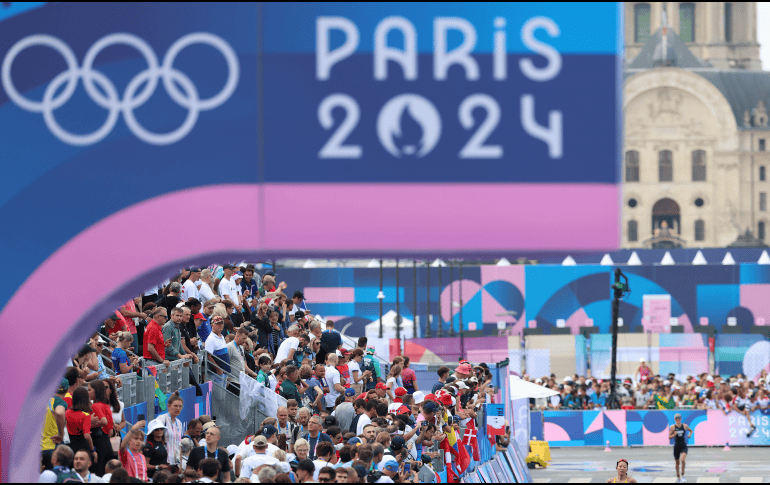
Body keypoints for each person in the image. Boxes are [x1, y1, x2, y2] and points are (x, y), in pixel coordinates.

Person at [41, 378, 69, 471]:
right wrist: (61, 434)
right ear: (67, 390)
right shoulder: (58, 401)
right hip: (50, 446)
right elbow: (59, 412)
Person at [89, 380, 115, 475]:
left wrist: (89, 425)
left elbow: (104, 421)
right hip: (107, 444)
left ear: (96, 391)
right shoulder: (106, 406)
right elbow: (111, 431)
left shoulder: (95, 405)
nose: (87, 392)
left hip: (99, 445)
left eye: (89, 390)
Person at [65, 387, 97, 459]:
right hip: (82, 445)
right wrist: (93, 450)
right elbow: (87, 436)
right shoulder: (85, 415)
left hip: (70, 444)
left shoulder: (67, 412)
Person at [156, 392, 185, 470]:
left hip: (175, 463)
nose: (178, 408)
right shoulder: (162, 418)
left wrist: (180, 465)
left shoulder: (179, 423)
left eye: (180, 406)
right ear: (169, 406)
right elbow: (155, 439)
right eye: (175, 406)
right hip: (164, 461)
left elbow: (179, 445)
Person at [669, 414, 692, 483]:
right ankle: (678, 477)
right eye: (676, 418)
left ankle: (682, 474)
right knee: (677, 463)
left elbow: (691, 430)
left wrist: (689, 435)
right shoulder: (672, 427)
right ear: (675, 419)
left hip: (683, 445)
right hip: (676, 446)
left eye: (679, 418)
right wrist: (674, 435)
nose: (678, 419)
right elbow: (669, 437)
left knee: (682, 459)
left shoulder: (684, 426)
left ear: (681, 419)